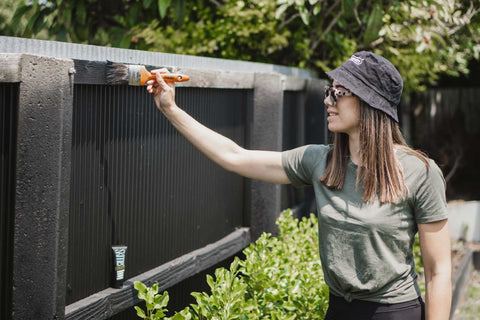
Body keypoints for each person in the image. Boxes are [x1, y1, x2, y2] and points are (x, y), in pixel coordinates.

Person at [146, 51, 451, 320]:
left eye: (340, 93)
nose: (327, 100)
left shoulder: (419, 173)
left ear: (371, 104)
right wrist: (170, 109)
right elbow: (234, 156)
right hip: (339, 310)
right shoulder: (320, 161)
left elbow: (438, 271)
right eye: (330, 91)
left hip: (394, 312)